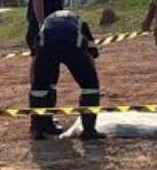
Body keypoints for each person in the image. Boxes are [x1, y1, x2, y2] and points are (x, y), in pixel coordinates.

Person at [29, 10, 104, 141]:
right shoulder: (80, 22)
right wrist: (91, 81)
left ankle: (38, 129)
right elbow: (91, 54)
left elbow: (35, 59)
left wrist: (35, 83)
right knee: (90, 86)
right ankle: (89, 131)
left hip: (47, 46)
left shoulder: (46, 24)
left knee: (40, 89)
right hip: (71, 44)